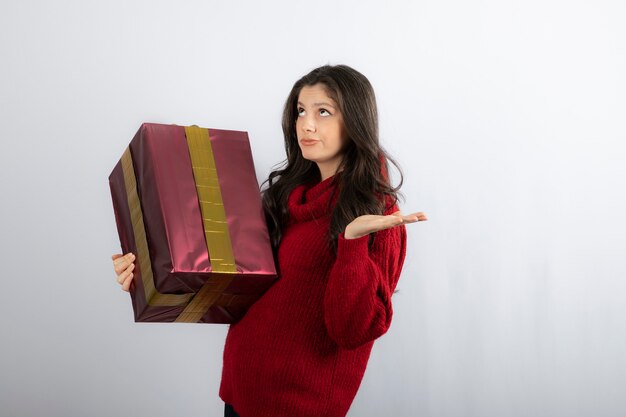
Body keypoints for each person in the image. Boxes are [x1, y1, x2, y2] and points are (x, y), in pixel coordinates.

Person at [112, 64, 427, 417]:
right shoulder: (286, 198)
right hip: (240, 390)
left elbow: (353, 331)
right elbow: (229, 282)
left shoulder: (378, 216)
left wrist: (351, 242)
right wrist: (147, 275)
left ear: (354, 122)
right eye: (301, 111)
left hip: (297, 406)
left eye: (323, 112)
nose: (306, 124)